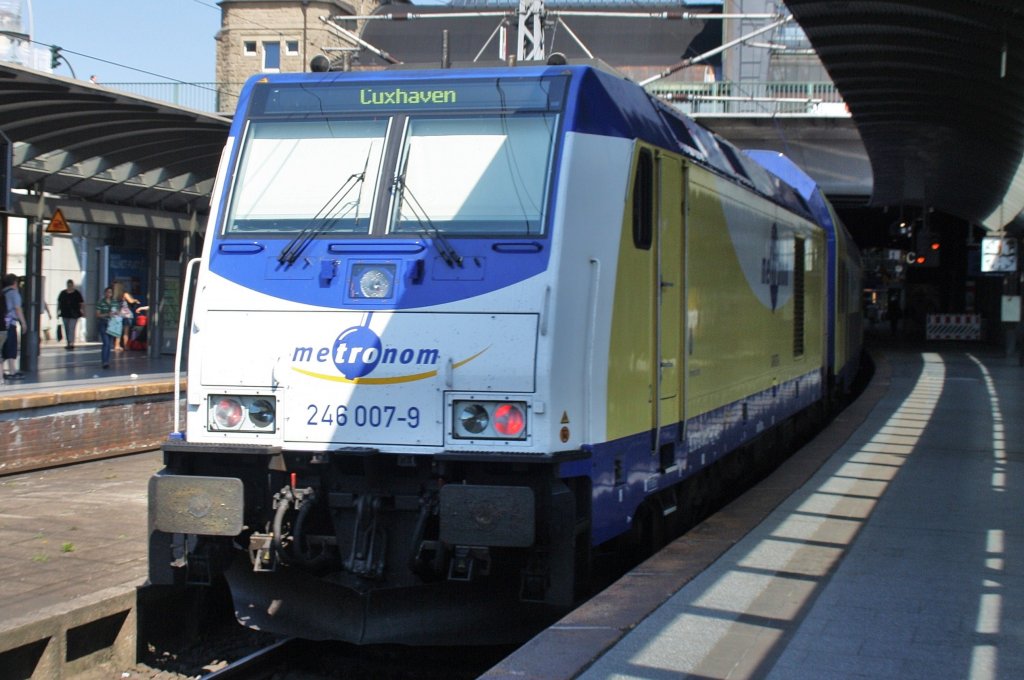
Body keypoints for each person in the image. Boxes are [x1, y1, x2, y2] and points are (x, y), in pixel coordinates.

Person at [2, 273, 27, 380]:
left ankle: (3, 372)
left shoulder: (3, 292)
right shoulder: (14, 293)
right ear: (14, 283)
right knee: (12, 347)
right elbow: (17, 309)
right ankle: (12, 371)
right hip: (10, 323)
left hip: (2, 324)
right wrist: (23, 322)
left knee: (3, 348)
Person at [56, 279, 85, 350]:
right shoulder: (63, 293)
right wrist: (57, 312)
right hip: (65, 314)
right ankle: (68, 342)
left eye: (71, 285)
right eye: (68, 285)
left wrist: (82, 311)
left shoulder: (77, 293)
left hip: (74, 314)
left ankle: (71, 343)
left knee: (71, 328)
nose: (70, 287)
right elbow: (59, 303)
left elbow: (81, 303)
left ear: (73, 285)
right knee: (66, 328)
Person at [96, 286, 119, 368]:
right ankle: (104, 361)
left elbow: (118, 312)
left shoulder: (114, 302)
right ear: (105, 293)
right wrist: (107, 314)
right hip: (103, 323)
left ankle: (107, 361)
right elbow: (98, 315)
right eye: (107, 292)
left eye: (110, 292)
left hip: (112, 324)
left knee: (109, 344)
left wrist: (116, 314)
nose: (109, 294)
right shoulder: (101, 302)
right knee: (106, 343)